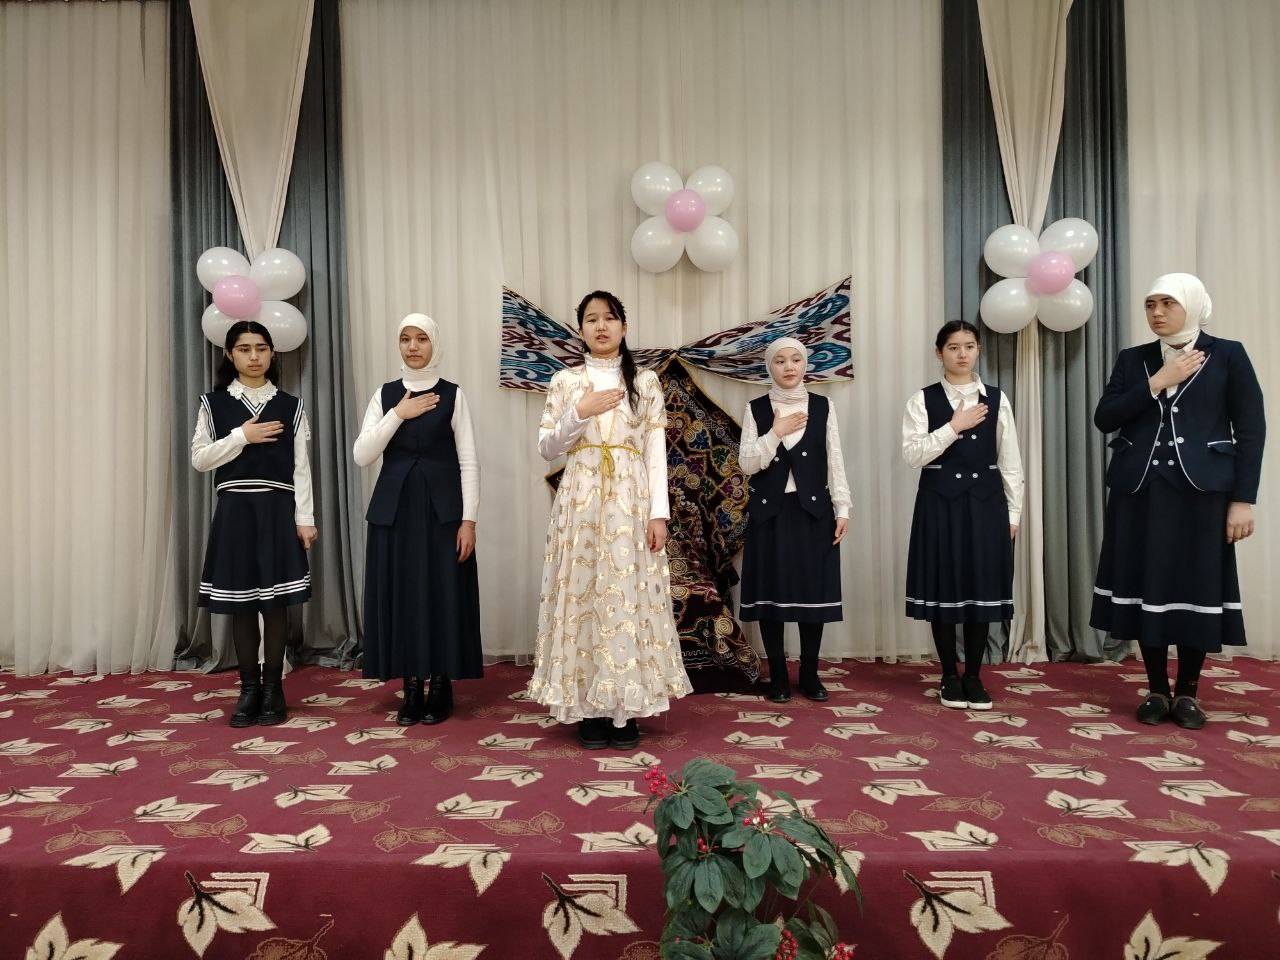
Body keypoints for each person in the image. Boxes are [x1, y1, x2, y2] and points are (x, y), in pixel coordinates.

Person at [1092, 273, 1265, 729]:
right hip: (1140, 491)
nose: (1157, 312)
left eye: (1168, 303)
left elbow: (1251, 429)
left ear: (1192, 304)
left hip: (1203, 493)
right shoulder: (1133, 360)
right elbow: (1105, 418)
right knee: (1146, 585)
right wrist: (1157, 382)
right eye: (1151, 304)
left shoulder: (1228, 354)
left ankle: (1187, 691)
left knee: (1196, 586)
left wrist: (1243, 500)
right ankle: (1155, 689)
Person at [527, 290, 691, 749]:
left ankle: (625, 709)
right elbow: (547, 448)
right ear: (580, 329)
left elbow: (655, 454)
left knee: (626, 597)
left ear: (624, 326)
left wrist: (659, 514)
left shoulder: (646, 382)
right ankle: (588, 708)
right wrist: (580, 412)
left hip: (629, 500)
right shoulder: (565, 381)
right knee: (583, 595)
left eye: (610, 318)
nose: (601, 326)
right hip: (580, 499)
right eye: (592, 319)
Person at [354, 313, 482, 725]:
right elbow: (362, 454)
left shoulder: (453, 394)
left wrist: (469, 520)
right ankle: (411, 686)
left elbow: (469, 461)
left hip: (443, 514)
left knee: (443, 594)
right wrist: (398, 414)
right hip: (394, 514)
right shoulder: (385, 395)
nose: (413, 346)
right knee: (403, 595)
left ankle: (441, 685)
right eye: (405, 338)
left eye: (421, 338)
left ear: (434, 344)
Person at [192, 320, 317, 727]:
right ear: (230, 355)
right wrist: (241, 436)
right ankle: (248, 689)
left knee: (275, 603)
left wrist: (305, 518)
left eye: (261, 348)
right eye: (244, 349)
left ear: (272, 353)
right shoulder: (213, 404)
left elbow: (301, 468)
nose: (254, 356)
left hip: (277, 510)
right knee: (242, 604)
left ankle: (273, 688)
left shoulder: (291, 405)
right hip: (236, 512)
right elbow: (200, 459)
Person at [902, 320, 1023, 711]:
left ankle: (973, 675)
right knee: (943, 591)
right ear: (939, 353)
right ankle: (949, 676)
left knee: (980, 590)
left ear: (978, 350)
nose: (962, 354)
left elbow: (1010, 461)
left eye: (969, 346)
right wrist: (953, 426)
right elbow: (913, 455)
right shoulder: (922, 400)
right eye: (953, 347)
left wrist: (1014, 513)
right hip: (939, 505)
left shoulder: (997, 399)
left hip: (986, 506)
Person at [737, 337, 851, 702]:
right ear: (769, 367)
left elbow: (835, 459)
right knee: (771, 597)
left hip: (814, 512)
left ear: (805, 364)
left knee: (811, 595)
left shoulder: (823, 406)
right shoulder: (756, 409)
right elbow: (747, 464)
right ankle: (778, 677)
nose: (789, 366)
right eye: (780, 361)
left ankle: (810, 675)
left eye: (796, 359)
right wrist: (775, 433)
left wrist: (843, 508)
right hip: (769, 514)